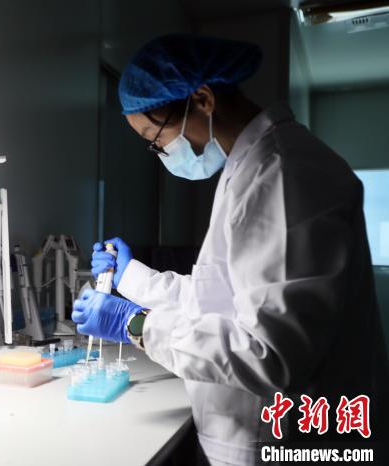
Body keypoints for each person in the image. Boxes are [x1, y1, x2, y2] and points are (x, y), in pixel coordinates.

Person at [72, 34, 388, 465]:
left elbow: (269, 354)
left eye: (155, 137)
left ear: (202, 100)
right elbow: (221, 297)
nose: (160, 152)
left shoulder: (282, 174)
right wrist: (131, 277)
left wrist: (137, 324)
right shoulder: (250, 167)